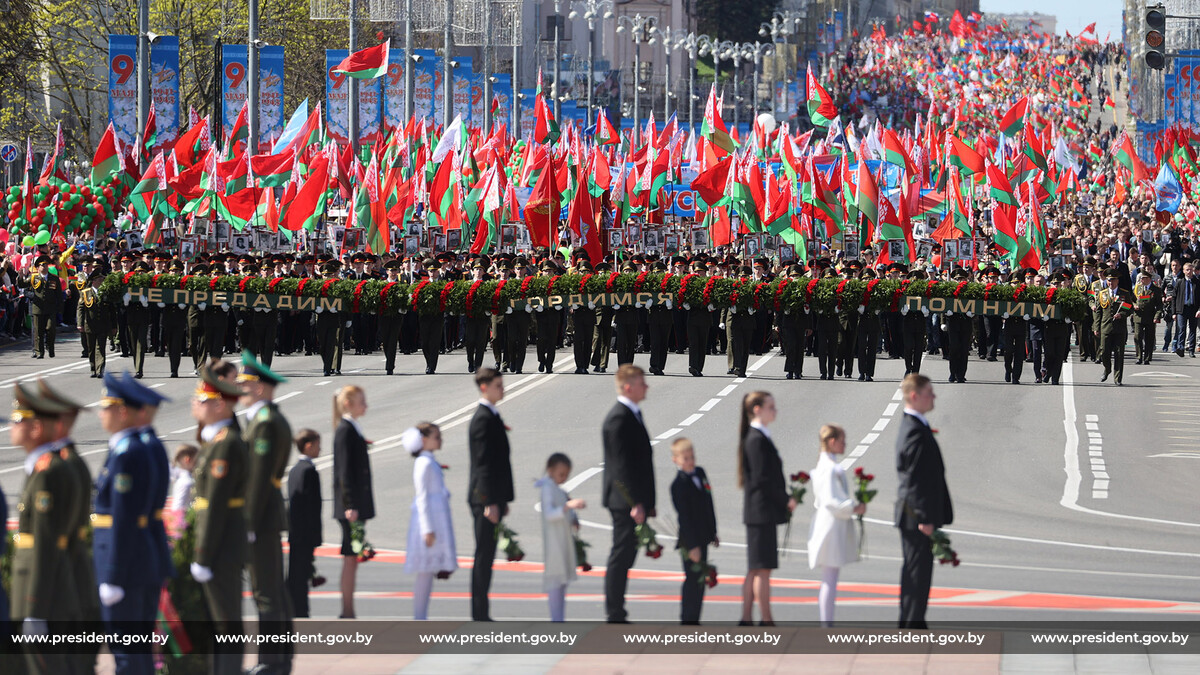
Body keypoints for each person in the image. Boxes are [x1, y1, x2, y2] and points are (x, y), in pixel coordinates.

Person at [9, 383, 81, 672]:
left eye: (18, 420)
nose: (12, 426)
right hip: (42, 592)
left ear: (37, 428)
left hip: (43, 598)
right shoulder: (41, 468)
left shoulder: (46, 473)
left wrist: (35, 609)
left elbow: (45, 543)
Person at [237, 350, 294, 673]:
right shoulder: (268, 419)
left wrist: (248, 522)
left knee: (266, 593)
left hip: (261, 517)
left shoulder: (265, 423)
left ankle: (271, 661)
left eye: (246, 385)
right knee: (271, 590)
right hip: (267, 515)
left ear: (259, 386)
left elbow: (258, 478)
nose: (242, 391)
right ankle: (279, 658)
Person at [190, 365, 249, 674]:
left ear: (219, 404)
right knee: (218, 621)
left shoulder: (225, 444)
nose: (194, 404)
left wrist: (202, 554)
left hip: (221, 544)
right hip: (221, 541)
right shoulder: (216, 440)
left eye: (201, 399)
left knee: (225, 620)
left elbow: (214, 505)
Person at [894, 373, 953, 629]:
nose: (934, 397)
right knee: (917, 574)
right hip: (916, 516)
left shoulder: (914, 426)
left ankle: (911, 622)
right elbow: (914, 479)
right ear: (915, 396)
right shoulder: (914, 431)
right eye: (929, 392)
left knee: (915, 571)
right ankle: (912, 625)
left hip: (914, 515)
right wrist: (925, 518)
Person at [601, 364, 654, 623]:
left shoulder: (632, 414)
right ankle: (614, 610)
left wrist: (648, 501)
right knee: (621, 553)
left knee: (627, 553)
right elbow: (621, 467)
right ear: (627, 386)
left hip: (633, 500)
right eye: (642, 382)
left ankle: (617, 607)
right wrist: (635, 503)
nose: (646, 386)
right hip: (624, 501)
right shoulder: (619, 418)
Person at [737, 391, 794, 626]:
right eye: (771, 406)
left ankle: (748, 617)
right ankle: (766, 619)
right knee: (762, 569)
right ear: (757, 409)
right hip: (761, 510)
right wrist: (784, 499)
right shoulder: (756, 439)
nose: (775, 410)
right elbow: (762, 478)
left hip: (760, 510)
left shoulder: (759, 436)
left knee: (756, 567)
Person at [807, 424, 866, 627]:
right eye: (842, 440)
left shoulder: (826, 465)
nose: (845, 444)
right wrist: (854, 508)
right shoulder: (830, 469)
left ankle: (827, 622)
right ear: (832, 442)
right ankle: (826, 624)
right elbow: (832, 500)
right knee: (830, 577)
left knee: (830, 576)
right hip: (831, 525)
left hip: (831, 522)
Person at [467, 367, 514, 621]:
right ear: (484, 387)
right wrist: (489, 502)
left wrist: (502, 498)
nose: (503, 389)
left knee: (487, 555)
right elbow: (483, 464)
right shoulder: (483, 418)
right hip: (483, 499)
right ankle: (479, 613)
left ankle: (482, 611)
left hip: (492, 498)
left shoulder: (492, 415)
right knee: (483, 555)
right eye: (498, 385)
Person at [403, 423, 457, 620]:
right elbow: (422, 496)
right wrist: (427, 529)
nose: (440, 439)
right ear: (423, 440)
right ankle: (419, 617)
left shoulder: (429, 460)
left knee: (428, 571)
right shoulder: (423, 463)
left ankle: (421, 616)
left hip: (436, 516)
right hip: (429, 519)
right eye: (437, 436)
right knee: (425, 571)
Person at [332, 385, 374, 619]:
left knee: (352, 558)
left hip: (353, 505)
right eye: (361, 400)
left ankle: (348, 609)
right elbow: (344, 472)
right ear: (348, 403)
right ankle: (347, 610)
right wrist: (349, 505)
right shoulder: (345, 430)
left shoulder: (351, 428)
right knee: (350, 557)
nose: (365, 405)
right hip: (350, 507)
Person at [669, 438, 718, 625]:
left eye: (692, 457)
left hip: (704, 535)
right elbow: (684, 518)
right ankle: (687, 619)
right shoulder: (678, 485)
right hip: (689, 541)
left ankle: (695, 617)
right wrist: (692, 546)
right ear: (676, 460)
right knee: (692, 578)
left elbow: (708, 503)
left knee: (700, 579)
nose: (690, 461)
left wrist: (713, 531)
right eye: (685, 458)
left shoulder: (701, 473)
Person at [537, 452, 586, 622]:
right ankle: (556, 619)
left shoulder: (557, 489)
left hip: (562, 539)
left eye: (566, 475)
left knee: (562, 580)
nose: (564, 478)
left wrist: (573, 517)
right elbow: (550, 514)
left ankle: (559, 618)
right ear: (550, 470)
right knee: (556, 581)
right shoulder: (547, 489)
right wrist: (568, 507)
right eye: (561, 474)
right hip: (554, 542)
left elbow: (563, 509)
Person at [287, 429, 323, 619]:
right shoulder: (309, 471)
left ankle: (294, 609)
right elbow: (312, 507)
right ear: (308, 446)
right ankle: (301, 612)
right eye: (318, 445)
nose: (320, 449)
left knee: (296, 573)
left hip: (295, 533)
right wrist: (316, 536)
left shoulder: (294, 470)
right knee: (301, 576)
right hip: (306, 533)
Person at [1095, 268, 1134, 385]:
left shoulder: (1124, 294)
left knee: (1119, 354)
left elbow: (1129, 308)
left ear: (1117, 281)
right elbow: (1098, 312)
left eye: (1113, 280)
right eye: (1109, 280)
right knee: (1104, 352)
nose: (1111, 283)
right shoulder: (1102, 294)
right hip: (1106, 327)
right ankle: (1107, 369)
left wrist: (1121, 314)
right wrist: (1096, 328)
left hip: (1119, 329)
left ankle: (1118, 378)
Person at [77, 267, 116, 377]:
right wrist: (80, 324)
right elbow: (80, 309)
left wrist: (114, 325)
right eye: (99, 280)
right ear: (93, 281)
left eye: (102, 280)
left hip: (103, 324)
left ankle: (100, 369)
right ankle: (93, 367)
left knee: (101, 347)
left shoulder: (106, 292)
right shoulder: (85, 293)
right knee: (91, 348)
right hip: (90, 324)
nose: (101, 282)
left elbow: (112, 310)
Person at [1172, 262, 1199, 357]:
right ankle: (1181, 348)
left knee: (1192, 329)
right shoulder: (1180, 282)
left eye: (1191, 270)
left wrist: (1199, 310)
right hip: (1182, 309)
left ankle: (1191, 349)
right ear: (1183, 271)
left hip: (1193, 308)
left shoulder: (1197, 282)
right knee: (1181, 329)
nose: (1189, 272)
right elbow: (1174, 297)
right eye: (1187, 270)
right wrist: (1174, 312)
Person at [169, 445, 199, 526]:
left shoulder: (183, 478)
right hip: (184, 525)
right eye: (196, 461)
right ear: (187, 460)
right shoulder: (187, 482)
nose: (198, 464)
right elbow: (178, 508)